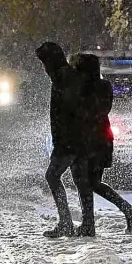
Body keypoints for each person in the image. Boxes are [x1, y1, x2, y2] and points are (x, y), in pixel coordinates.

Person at [72, 54, 132, 236]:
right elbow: (101, 110)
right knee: (92, 182)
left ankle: (90, 223)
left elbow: (83, 112)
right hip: (101, 140)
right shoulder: (104, 86)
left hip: (87, 141)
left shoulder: (82, 88)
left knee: (85, 182)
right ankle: (126, 210)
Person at [35, 42, 85, 238]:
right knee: (80, 180)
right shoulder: (63, 76)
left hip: (69, 140)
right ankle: (78, 221)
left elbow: (68, 111)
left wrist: (65, 138)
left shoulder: (63, 77)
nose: (44, 67)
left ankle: (66, 222)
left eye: (44, 62)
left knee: (53, 176)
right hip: (70, 139)